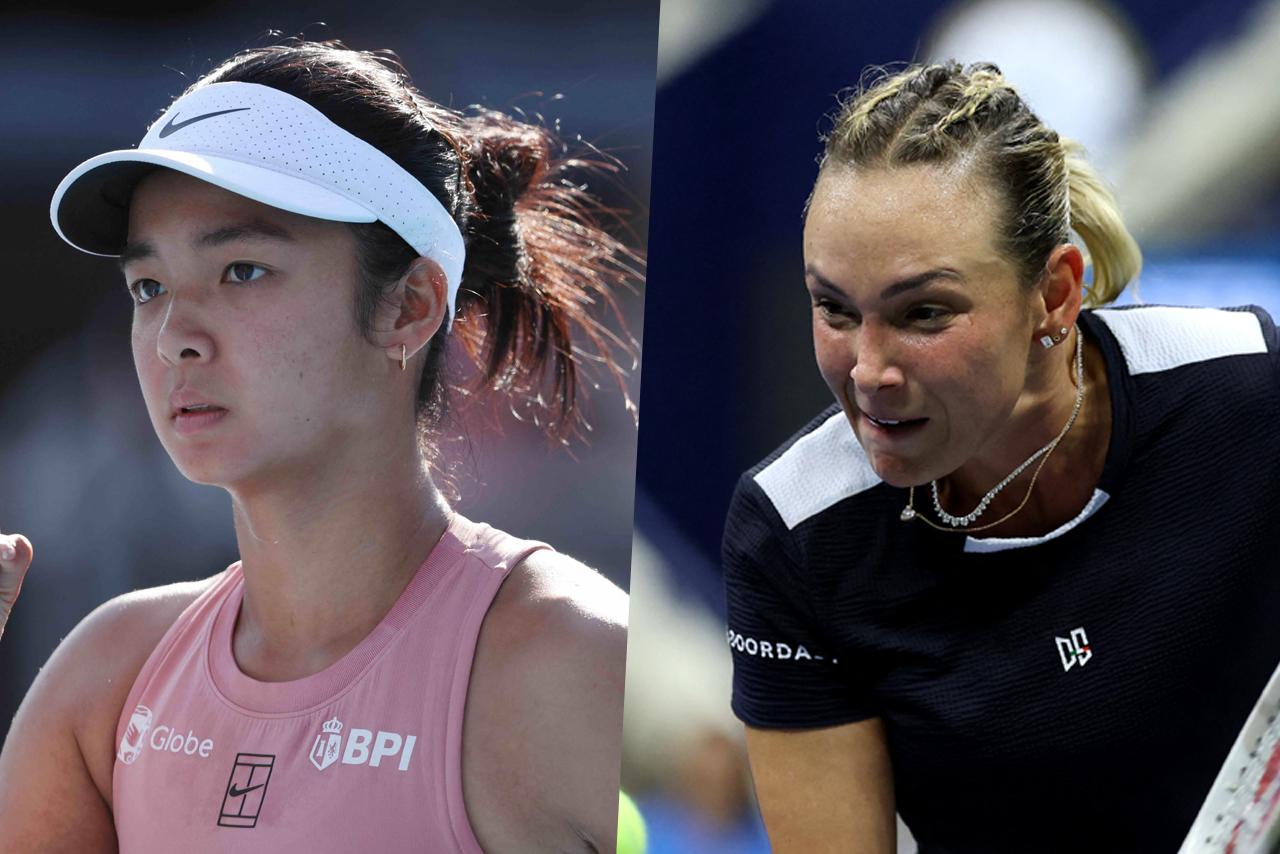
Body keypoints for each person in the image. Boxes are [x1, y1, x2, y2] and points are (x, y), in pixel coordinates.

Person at [0, 39, 634, 853]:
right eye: (149, 287)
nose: (173, 339)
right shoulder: (105, 681)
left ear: (408, 306)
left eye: (243, 270)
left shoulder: (577, 664)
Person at [721, 60, 1280, 853]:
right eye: (835, 309)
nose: (869, 371)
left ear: (1053, 295)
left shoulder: (1250, 392)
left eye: (925, 312)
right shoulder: (792, 531)